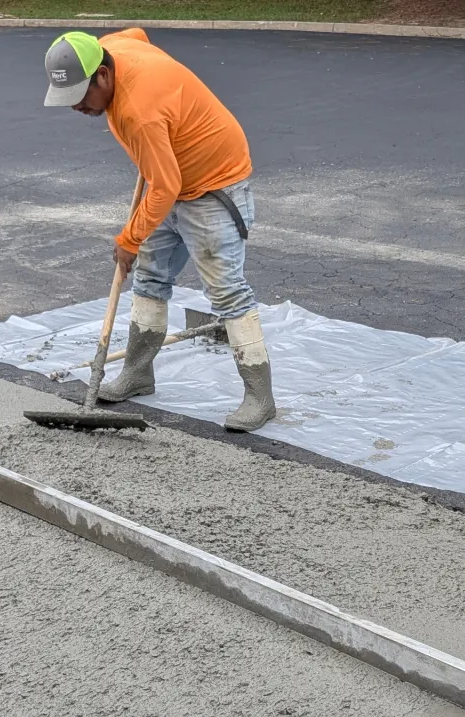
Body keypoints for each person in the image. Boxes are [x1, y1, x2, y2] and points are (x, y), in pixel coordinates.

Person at [41, 29, 275, 432]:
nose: (76, 106)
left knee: (226, 291)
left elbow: (165, 187)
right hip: (167, 175)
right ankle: (138, 374)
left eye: (81, 95)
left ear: (102, 75)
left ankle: (260, 397)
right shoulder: (114, 47)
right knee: (150, 278)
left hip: (212, 185)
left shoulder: (139, 113)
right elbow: (139, 35)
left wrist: (129, 238)